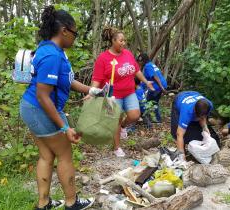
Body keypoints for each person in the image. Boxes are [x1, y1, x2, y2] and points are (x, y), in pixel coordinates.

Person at [19, 6, 96, 210]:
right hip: (39, 108)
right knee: (64, 155)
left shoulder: (50, 49)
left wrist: (92, 90)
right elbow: (43, 96)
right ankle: (72, 202)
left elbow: (68, 81)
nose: (75, 38)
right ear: (64, 31)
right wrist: (64, 127)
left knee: (47, 155)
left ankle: (44, 203)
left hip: (31, 108)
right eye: (75, 33)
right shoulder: (52, 55)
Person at [91, 27, 154, 157]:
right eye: (121, 40)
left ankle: (124, 127)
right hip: (112, 95)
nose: (123, 43)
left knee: (135, 115)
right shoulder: (103, 58)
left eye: (124, 40)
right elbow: (97, 79)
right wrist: (91, 92)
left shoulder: (128, 54)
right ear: (113, 41)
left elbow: (136, 70)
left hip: (129, 92)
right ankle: (117, 148)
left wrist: (146, 82)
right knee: (116, 121)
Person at [170, 91, 213, 160]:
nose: (200, 119)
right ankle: (181, 151)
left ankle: (196, 151)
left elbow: (203, 118)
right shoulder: (186, 112)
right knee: (177, 131)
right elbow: (179, 134)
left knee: (198, 131)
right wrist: (182, 156)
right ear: (194, 112)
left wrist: (205, 129)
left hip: (194, 94)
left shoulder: (209, 105)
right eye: (199, 117)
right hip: (179, 99)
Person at [137, 53, 167, 123]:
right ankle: (157, 119)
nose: (139, 63)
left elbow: (155, 77)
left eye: (139, 61)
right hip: (160, 85)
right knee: (154, 102)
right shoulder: (151, 64)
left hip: (157, 87)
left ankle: (148, 120)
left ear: (143, 61)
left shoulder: (147, 66)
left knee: (146, 103)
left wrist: (161, 88)